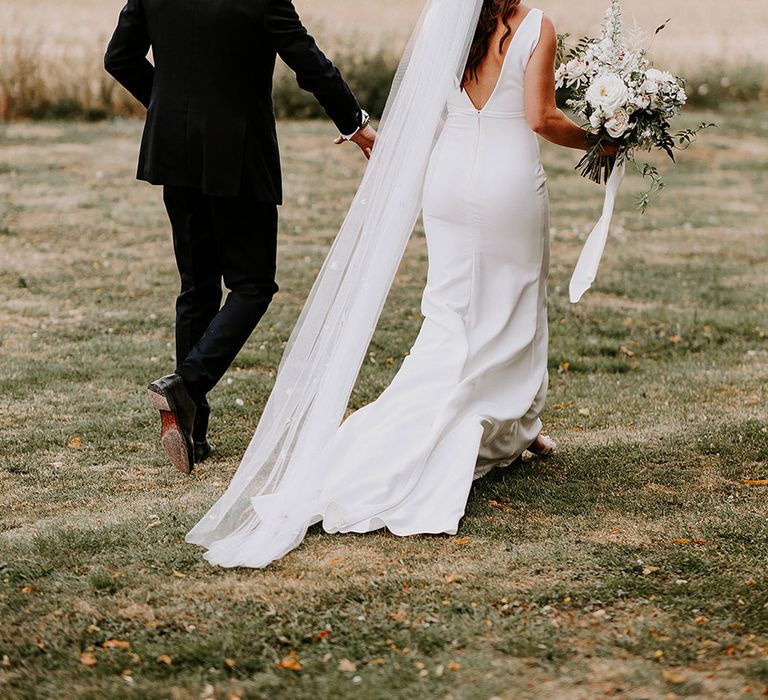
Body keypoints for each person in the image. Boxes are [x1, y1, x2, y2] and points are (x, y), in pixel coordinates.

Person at [187, 0, 618, 568]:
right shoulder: (538, 26)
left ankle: (518, 424)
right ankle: (503, 418)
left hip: (446, 181)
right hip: (507, 182)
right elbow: (541, 119)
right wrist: (604, 141)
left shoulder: (446, 24)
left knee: (450, 309)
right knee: (513, 300)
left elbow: (427, 115)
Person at [104, 0, 376, 474]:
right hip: (238, 151)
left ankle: (192, 431)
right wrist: (355, 124)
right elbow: (307, 61)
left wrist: (171, 105)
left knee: (198, 285)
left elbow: (119, 57)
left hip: (176, 149)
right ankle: (185, 386)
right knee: (253, 285)